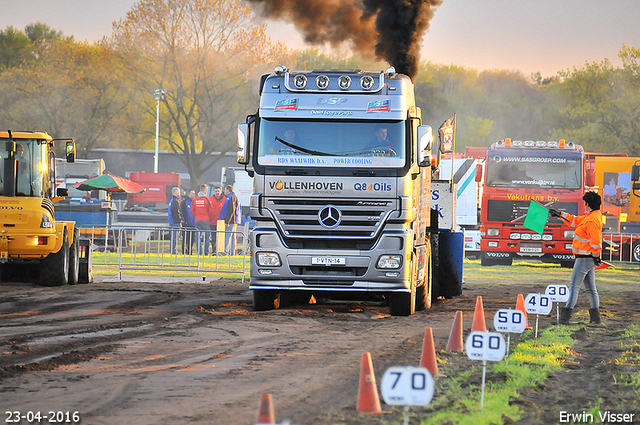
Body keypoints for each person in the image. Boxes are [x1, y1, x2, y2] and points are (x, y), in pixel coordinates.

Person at [549, 191, 603, 325]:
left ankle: (565, 318)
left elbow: (595, 241)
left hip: (584, 258)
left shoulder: (591, 219)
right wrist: (559, 214)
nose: (584, 205)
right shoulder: (590, 217)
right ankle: (595, 319)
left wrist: (596, 256)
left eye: (585, 203)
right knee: (591, 289)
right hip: (588, 258)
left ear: (588, 204)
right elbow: (574, 220)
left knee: (574, 286)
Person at [190, 184, 213, 256]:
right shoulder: (207, 199)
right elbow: (211, 210)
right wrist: (208, 216)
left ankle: (199, 252)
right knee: (207, 236)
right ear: (205, 190)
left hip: (197, 220)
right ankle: (206, 251)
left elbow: (191, 210)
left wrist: (196, 215)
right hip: (205, 220)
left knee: (198, 236)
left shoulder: (195, 199)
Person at [219, 185, 241, 255]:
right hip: (234, 220)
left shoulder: (231, 197)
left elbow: (231, 210)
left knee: (228, 235)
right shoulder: (232, 196)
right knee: (233, 236)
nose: (224, 191)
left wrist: (227, 221)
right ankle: (232, 252)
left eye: (225, 189)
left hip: (231, 220)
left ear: (228, 190)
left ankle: (226, 251)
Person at [208, 185, 226, 255]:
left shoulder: (224, 199)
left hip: (221, 223)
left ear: (220, 191)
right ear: (213, 192)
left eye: (218, 191)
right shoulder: (210, 199)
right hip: (212, 222)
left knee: (221, 238)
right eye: (216, 191)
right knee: (213, 238)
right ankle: (214, 251)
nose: (217, 193)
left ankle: (221, 251)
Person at [180, 189, 196, 255]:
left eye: (194, 193)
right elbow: (182, 212)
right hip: (186, 224)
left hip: (193, 224)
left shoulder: (195, 201)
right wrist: (184, 221)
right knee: (185, 238)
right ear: (188, 194)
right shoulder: (184, 202)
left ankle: (190, 251)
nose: (194, 194)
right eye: (192, 193)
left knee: (192, 239)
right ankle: (184, 251)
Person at [168, 186, 182, 255]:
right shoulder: (175, 202)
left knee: (174, 237)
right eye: (179, 192)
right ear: (176, 192)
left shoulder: (171, 201)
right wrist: (180, 220)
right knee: (175, 237)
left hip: (172, 221)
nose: (180, 194)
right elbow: (176, 212)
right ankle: (173, 250)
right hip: (175, 222)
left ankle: (172, 250)